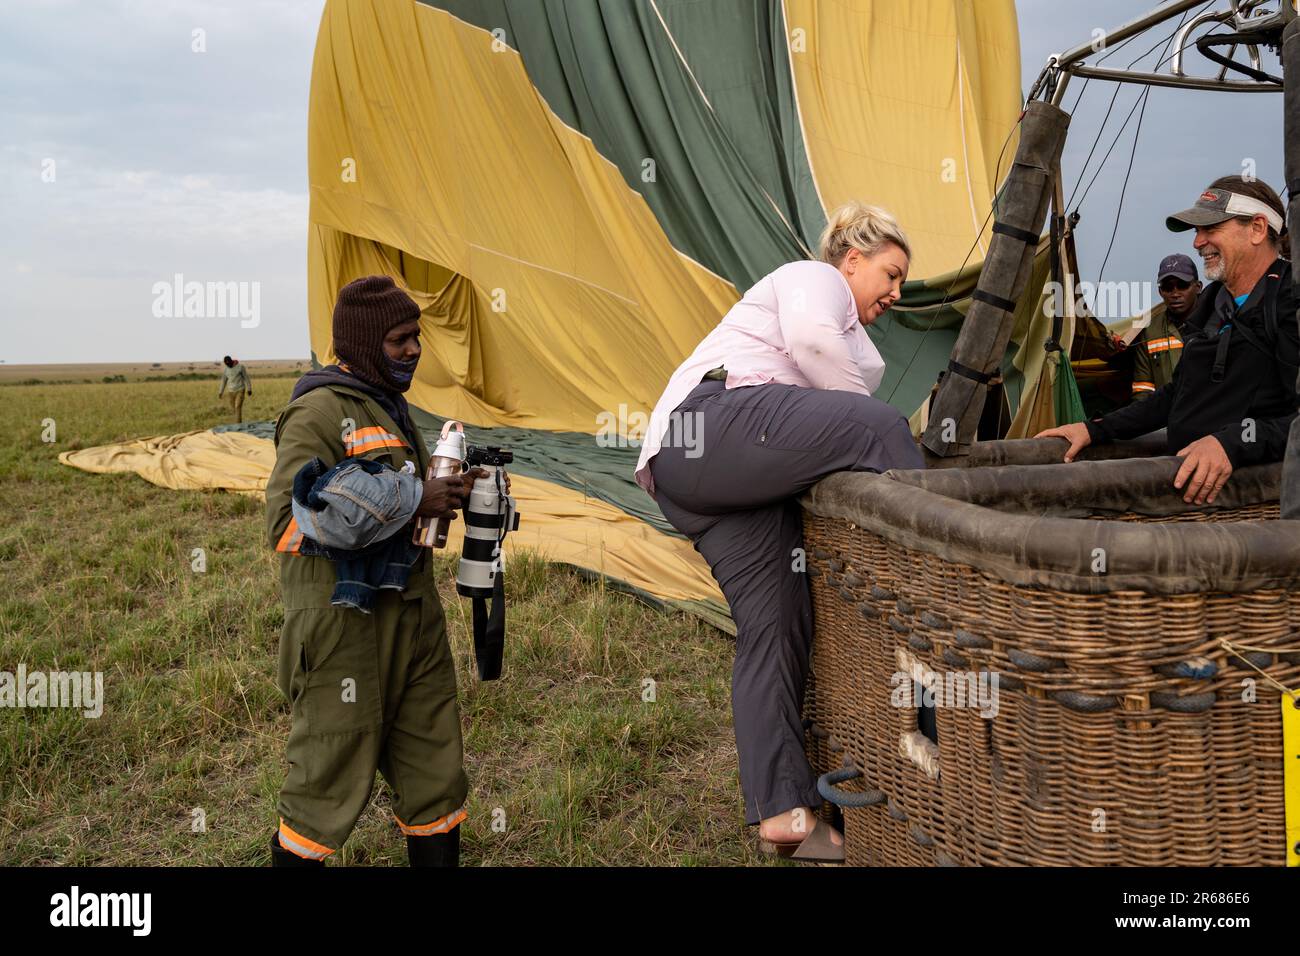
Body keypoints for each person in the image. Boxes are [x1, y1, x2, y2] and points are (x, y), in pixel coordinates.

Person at [635, 201, 924, 862]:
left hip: (700, 479)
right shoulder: (813, 280)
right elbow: (818, 352)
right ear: (852, 258)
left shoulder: (859, 341)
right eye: (891, 273)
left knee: (777, 624)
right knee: (878, 426)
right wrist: (874, 430)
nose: (897, 292)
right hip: (708, 426)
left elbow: (827, 399)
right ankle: (946, 586)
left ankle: (783, 813)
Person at [264, 275, 489, 867]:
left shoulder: (390, 410)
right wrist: (414, 498)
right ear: (364, 345)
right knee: (325, 782)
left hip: (414, 619)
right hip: (344, 630)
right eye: (398, 341)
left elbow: (396, 506)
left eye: (416, 337)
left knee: (434, 773)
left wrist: (448, 495)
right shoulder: (318, 411)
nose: (414, 350)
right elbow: (288, 523)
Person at [1036, 175, 1296, 506]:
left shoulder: (1289, 304)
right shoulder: (1212, 306)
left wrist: (1234, 443)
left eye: (1210, 228)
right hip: (1191, 502)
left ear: (1258, 229)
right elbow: (1175, 397)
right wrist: (1093, 429)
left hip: (1258, 509)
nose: (1197, 242)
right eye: (1196, 232)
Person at [1129, 254, 1202, 401]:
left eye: (1182, 285)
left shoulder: (1218, 318)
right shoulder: (1149, 330)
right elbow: (1143, 391)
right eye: (1168, 287)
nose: (1175, 293)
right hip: (1168, 419)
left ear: (1198, 287)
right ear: (1160, 292)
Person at [217, 355, 252, 423]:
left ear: (231, 361)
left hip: (240, 389)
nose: (228, 365)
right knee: (234, 409)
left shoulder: (240, 367)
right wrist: (220, 392)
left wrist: (249, 389)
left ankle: (238, 425)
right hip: (231, 392)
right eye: (226, 363)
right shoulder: (226, 370)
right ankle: (238, 423)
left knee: (237, 406)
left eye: (229, 363)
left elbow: (246, 378)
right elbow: (224, 381)